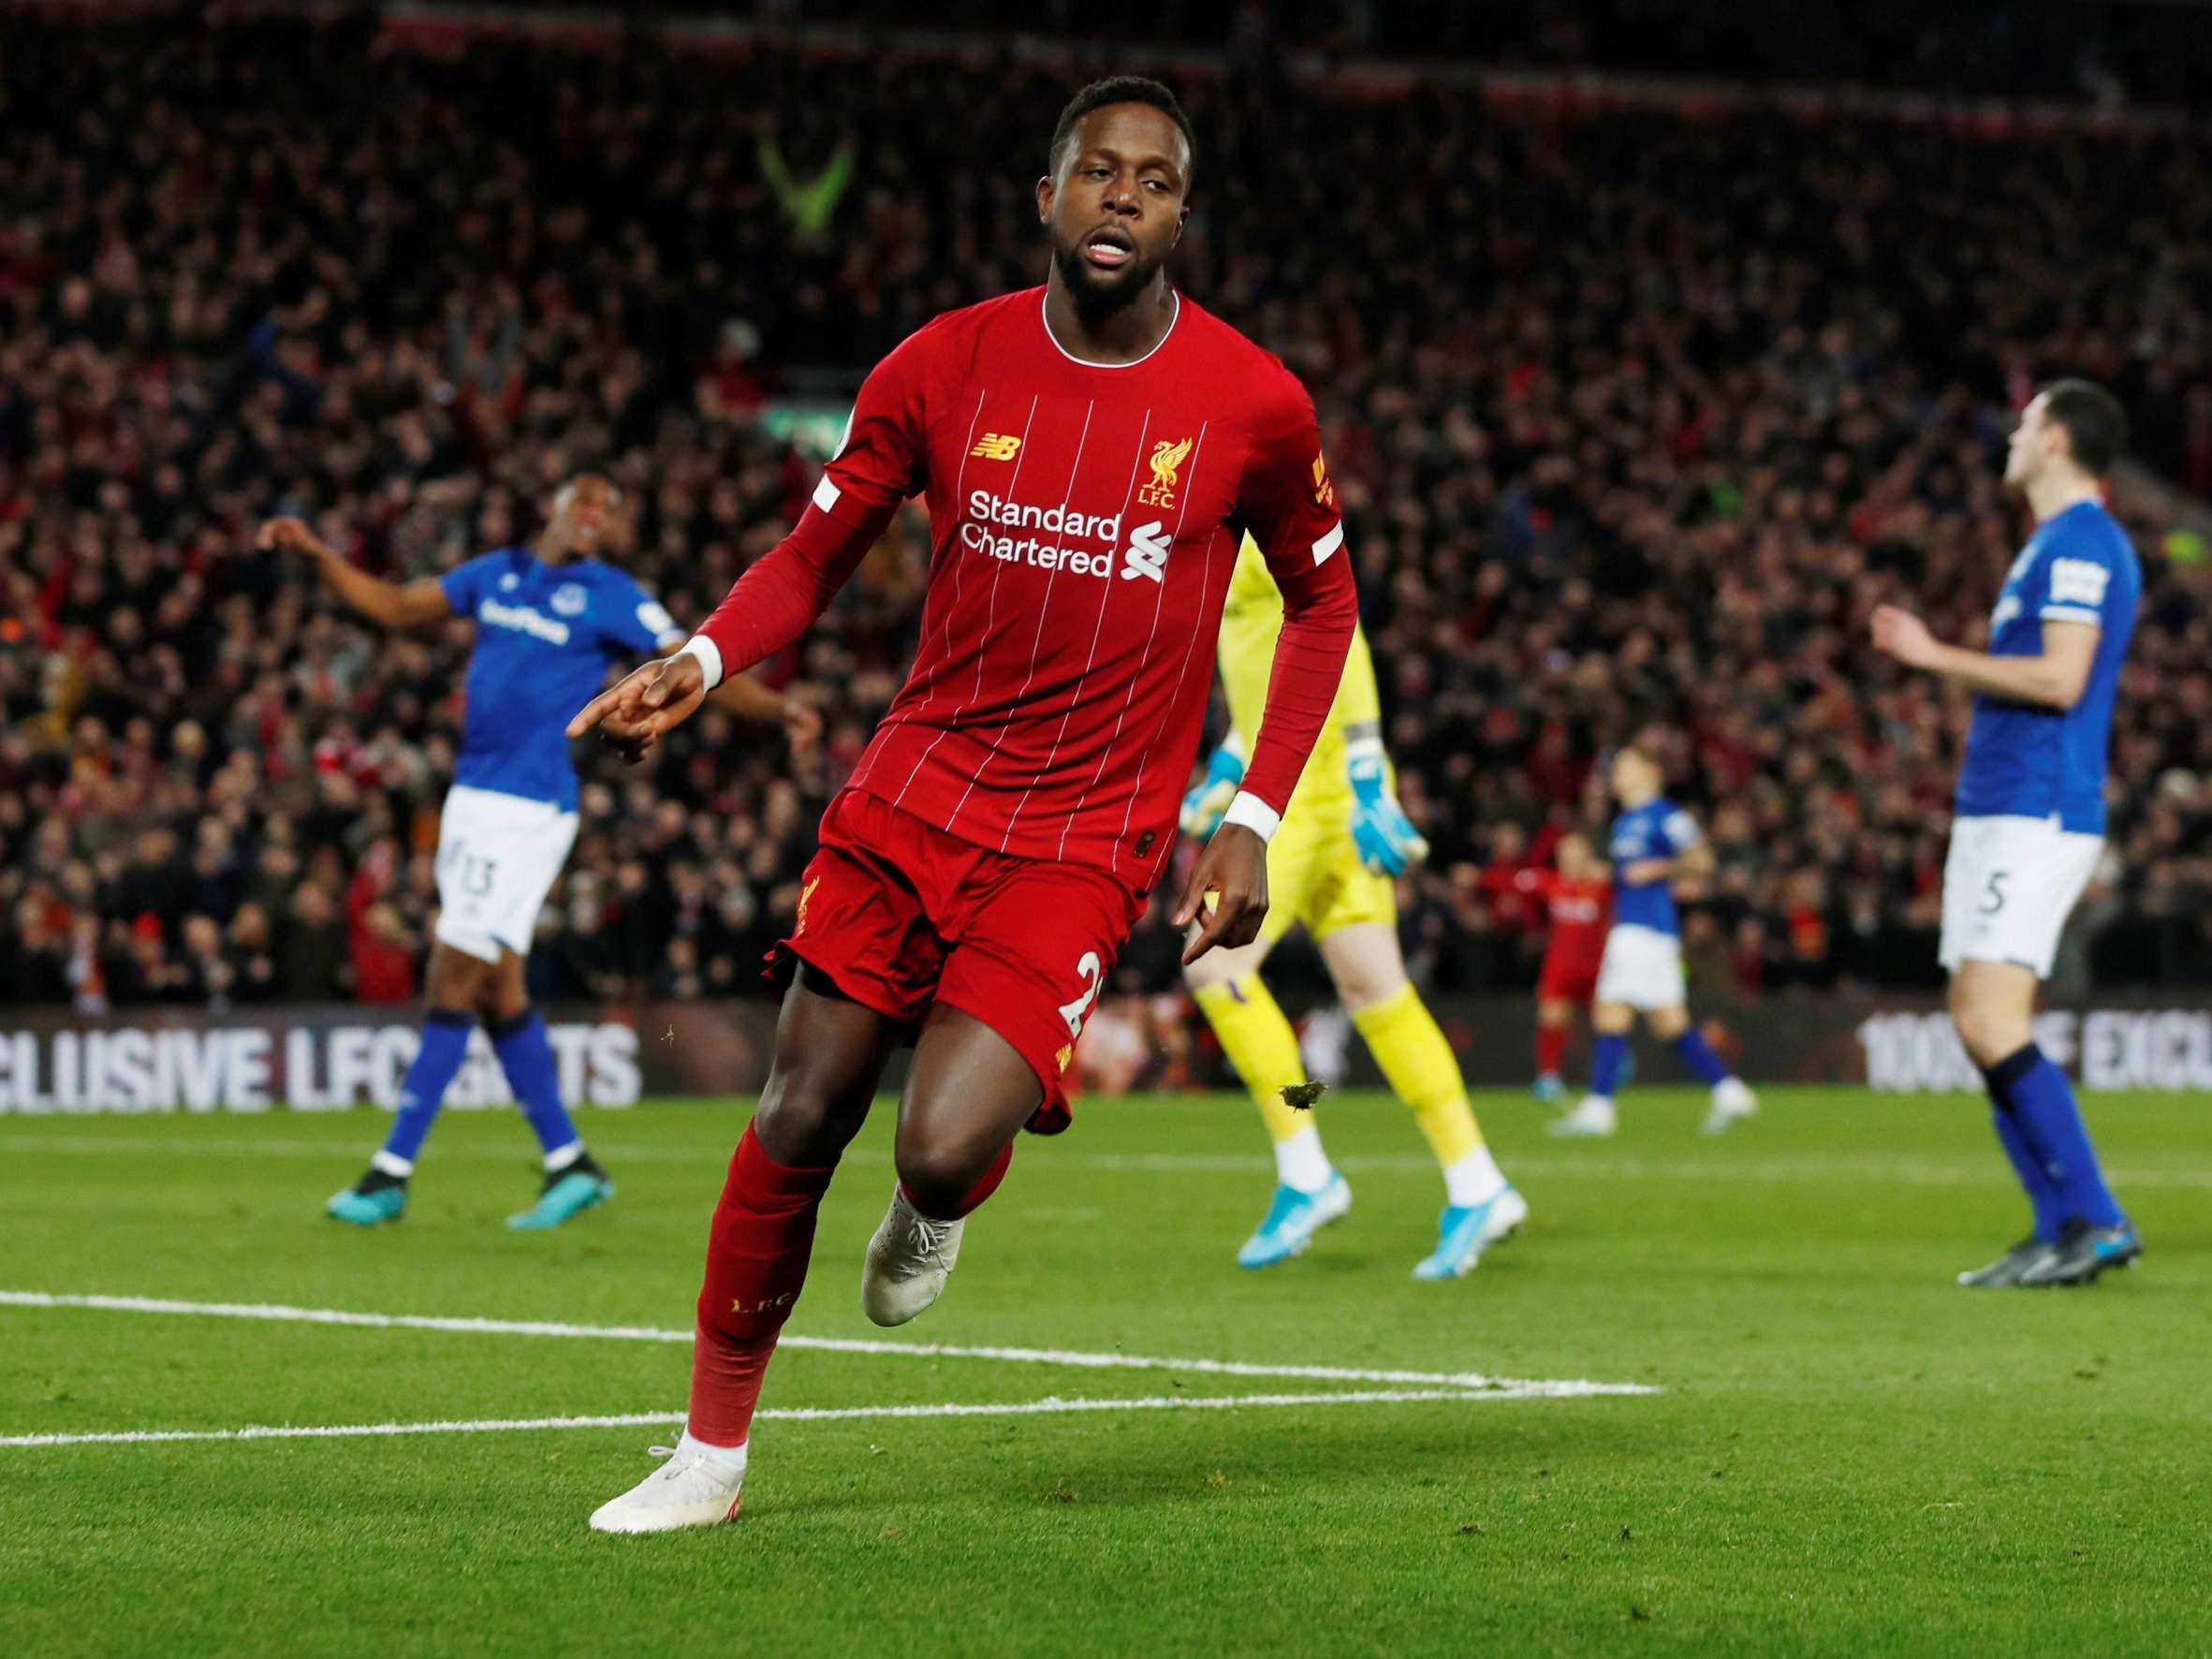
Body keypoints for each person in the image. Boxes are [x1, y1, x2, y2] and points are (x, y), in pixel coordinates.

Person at [569, 77, 1357, 1533]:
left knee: (935, 1144)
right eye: (1095, 172)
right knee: (798, 1110)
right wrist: (696, 654)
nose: (1121, 196)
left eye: (1153, 180)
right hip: (913, 791)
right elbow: (811, 556)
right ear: (1044, 198)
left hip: (1080, 837)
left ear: (1183, 216)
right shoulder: (941, 364)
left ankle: (932, 1210)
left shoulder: (1251, 404)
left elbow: (1321, 606)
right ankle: (708, 1460)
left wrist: (1249, 813)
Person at [259, 477, 806, 1229]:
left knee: (453, 970)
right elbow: (393, 607)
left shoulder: (613, 595)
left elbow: (690, 662)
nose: (597, 512)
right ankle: (570, 1163)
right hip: (471, 802)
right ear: (550, 505)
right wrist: (320, 553)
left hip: (527, 808)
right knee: (496, 987)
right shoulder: (496, 575)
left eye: (611, 509)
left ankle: (389, 1173)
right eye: (586, 498)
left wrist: (779, 710)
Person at [1180, 536, 1524, 1278]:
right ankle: (1478, 1182)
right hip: (1312, 779)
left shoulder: (1245, 499)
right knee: (1378, 992)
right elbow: (1275, 663)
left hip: (1304, 795)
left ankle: (1305, 1171)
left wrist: (1367, 764)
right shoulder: (1211, 513)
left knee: (1216, 972)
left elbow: (1340, 624)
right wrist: (1227, 762)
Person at [1871, 378, 2143, 1287]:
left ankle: (2097, 1217)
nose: (2009, 437)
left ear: (2056, 439)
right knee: (1970, 1017)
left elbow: (2061, 679)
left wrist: (1928, 655)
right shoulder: (2046, 544)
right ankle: (2055, 1223)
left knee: (1992, 1016)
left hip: (2036, 806)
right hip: (1999, 804)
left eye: (2023, 424)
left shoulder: (2080, 544)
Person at [1552, 744, 1757, 1138]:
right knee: (1669, 1022)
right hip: (1643, 929)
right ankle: (1729, 1091)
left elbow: (1702, 860)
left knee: (1610, 1011)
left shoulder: (1666, 815)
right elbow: (1627, 876)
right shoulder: (1625, 822)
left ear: (1650, 770)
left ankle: (1599, 1110)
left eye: (1625, 765)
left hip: (1643, 929)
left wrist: (1661, 867)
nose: (1616, 773)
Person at [1502, 830, 1611, 1102]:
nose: (1570, 861)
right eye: (1565, 855)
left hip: (1598, 967)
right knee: (1551, 1019)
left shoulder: (1604, 886)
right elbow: (1509, 881)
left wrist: (1613, 873)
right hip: (1560, 967)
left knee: (1604, 1022)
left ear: (1588, 858)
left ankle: (1608, 1074)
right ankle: (1549, 1078)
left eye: (1576, 855)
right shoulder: (1551, 883)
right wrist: (1477, 876)